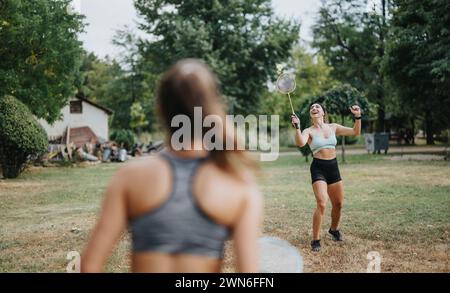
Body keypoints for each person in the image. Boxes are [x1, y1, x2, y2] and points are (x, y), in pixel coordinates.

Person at [81, 59, 263, 273]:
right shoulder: (239, 184)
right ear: (212, 107)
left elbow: (89, 265)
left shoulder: (130, 176)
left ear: (161, 108)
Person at [291, 103, 361, 252]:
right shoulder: (308, 131)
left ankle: (334, 229)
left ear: (323, 112)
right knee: (322, 203)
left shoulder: (333, 127)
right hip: (318, 168)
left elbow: (355, 131)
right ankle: (315, 240)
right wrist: (297, 127)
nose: (314, 108)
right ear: (311, 114)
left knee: (338, 204)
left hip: (333, 167)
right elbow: (300, 142)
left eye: (317, 107)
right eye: (312, 108)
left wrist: (357, 116)